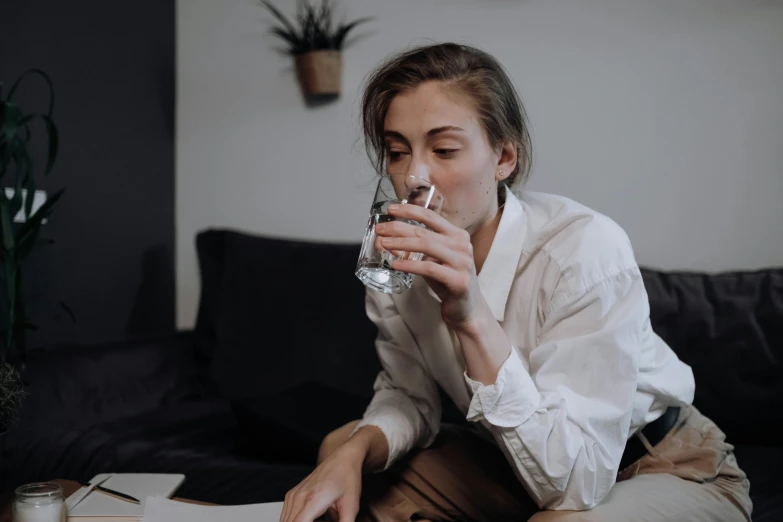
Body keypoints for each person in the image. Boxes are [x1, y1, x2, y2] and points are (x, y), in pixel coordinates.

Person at [278, 43, 752, 522]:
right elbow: (408, 396)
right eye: (398, 151)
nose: (413, 177)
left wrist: (471, 315)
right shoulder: (397, 260)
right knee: (341, 447)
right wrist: (354, 453)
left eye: (443, 150)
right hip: (507, 462)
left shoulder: (583, 250)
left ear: (504, 157)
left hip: (655, 463)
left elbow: (576, 482)